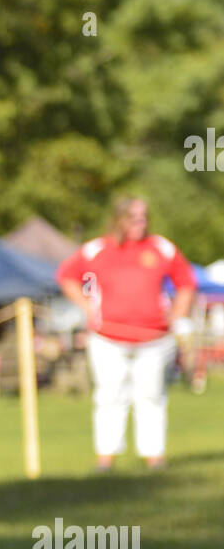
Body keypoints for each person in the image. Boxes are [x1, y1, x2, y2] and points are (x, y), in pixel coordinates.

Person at [56, 196, 196, 470]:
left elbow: (186, 282)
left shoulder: (161, 248)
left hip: (155, 339)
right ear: (119, 218)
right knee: (109, 395)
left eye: (144, 217)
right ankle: (106, 458)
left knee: (152, 395)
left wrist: (178, 312)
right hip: (107, 338)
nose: (140, 223)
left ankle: (154, 456)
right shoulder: (97, 249)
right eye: (133, 217)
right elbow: (66, 276)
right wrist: (87, 306)